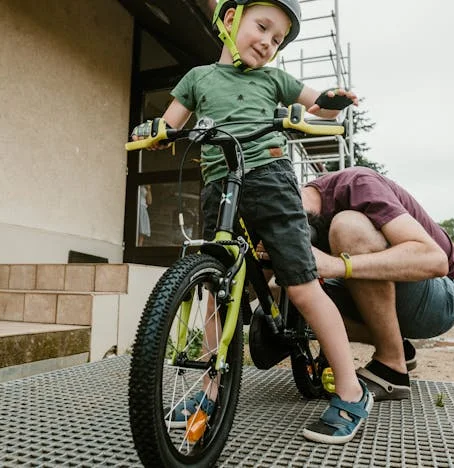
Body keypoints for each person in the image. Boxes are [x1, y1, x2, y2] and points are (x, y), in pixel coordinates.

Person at [132, 0, 371, 445]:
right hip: (218, 186)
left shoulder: (273, 79)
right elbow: (168, 127)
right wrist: (153, 133)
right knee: (212, 293)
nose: (267, 42)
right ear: (229, 20)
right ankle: (208, 389)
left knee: (301, 284)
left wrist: (333, 102)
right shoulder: (197, 78)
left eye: (277, 39)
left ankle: (352, 391)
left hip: (270, 180)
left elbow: (317, 106)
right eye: (262, 27)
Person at [301, 166, 454, 401]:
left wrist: (337, 266)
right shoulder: (305, 207)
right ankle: (398, 346)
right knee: (286, 288)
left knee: (348, 228)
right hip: (399, 290)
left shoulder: (358, 184)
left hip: (444, 293)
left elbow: (435, 261)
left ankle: (392, 367)